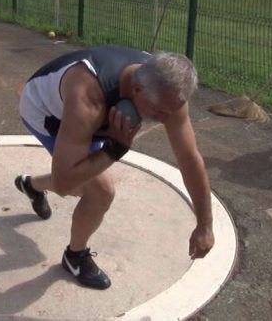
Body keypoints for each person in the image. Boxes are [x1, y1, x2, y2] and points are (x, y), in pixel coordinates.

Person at [14, 45, 215, 289]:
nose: (164, 120)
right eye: (159, 112)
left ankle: (30, 185)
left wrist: (205, 224)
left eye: (169, 112)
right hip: (47, 113)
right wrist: (115, 149)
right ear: (137, 89)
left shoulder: (168, 93)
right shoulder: (88, 97)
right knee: (99, 191)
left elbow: (189, 158)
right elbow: (65, 183)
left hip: (98, 117)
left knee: (84, 183)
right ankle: (75, 256)